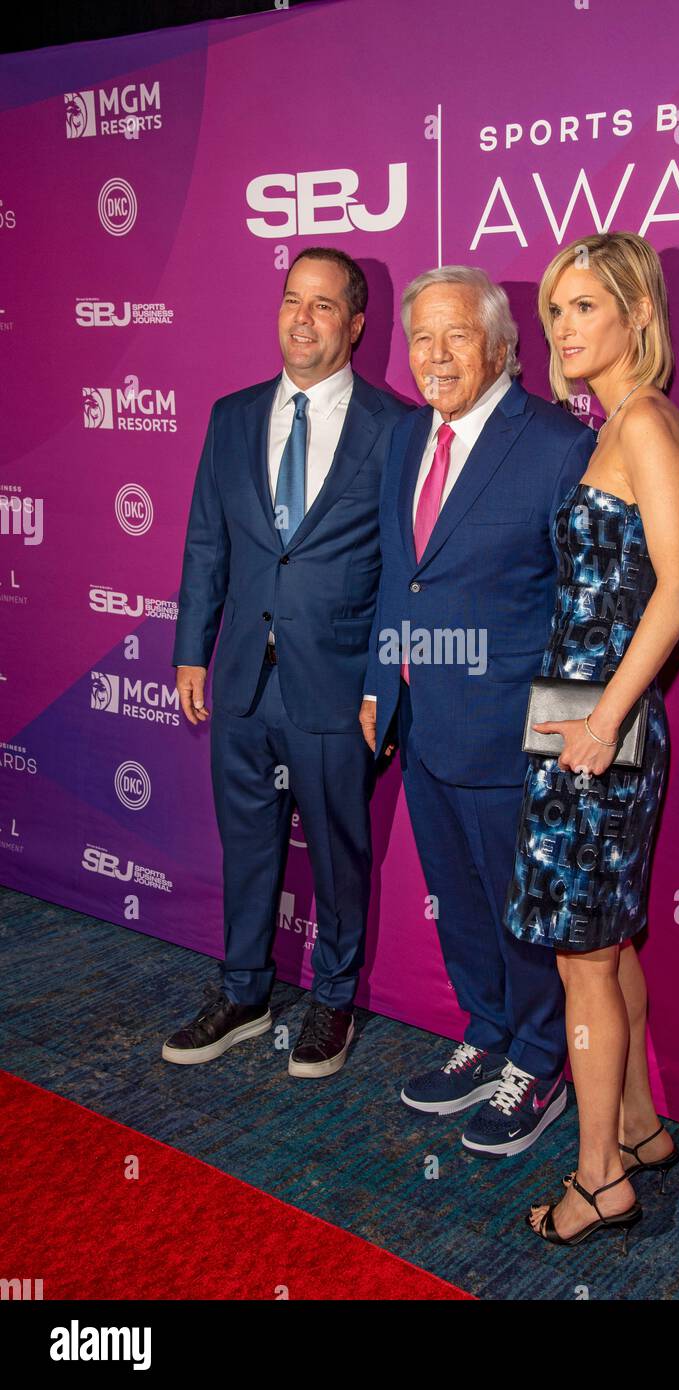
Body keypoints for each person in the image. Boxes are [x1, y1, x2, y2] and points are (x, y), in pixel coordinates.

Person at [360, 265, 595, 1156]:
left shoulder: (554, 446)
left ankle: (538, 1061)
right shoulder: (406, 439)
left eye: (457, 334)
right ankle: (487, 1031)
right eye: (422, 337)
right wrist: (382, 686)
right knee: (459, 901)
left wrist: (561, 740)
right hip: (423, 729)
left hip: (515, 738)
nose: (436, 354)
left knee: (520, 910)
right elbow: (400, 578)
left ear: (503, 344)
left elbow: (584, 610)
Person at [165, 248, 410, 1077]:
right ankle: (244, 991)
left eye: (323, 306)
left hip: (337, 687)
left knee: (340, 854)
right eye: (290, 301)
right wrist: (192, 649)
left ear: (356, 323)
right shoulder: (231, 415)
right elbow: (207, 540)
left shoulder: (395, 428)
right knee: (248, 845)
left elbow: (402, 573)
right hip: (240, 679)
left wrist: (383, 682)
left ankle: (332, 1001)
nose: (302, 320)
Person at [502, 232, 679, 1249]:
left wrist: (605, 718)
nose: (563, 329)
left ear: (636, 314)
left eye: (583, 307)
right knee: (601, 940)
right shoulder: (615, 426)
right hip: (570, 712)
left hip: (597, 721)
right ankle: (632, 1124)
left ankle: (597, 1181)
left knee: (583, 957)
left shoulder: (648, 426)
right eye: (554, 312)